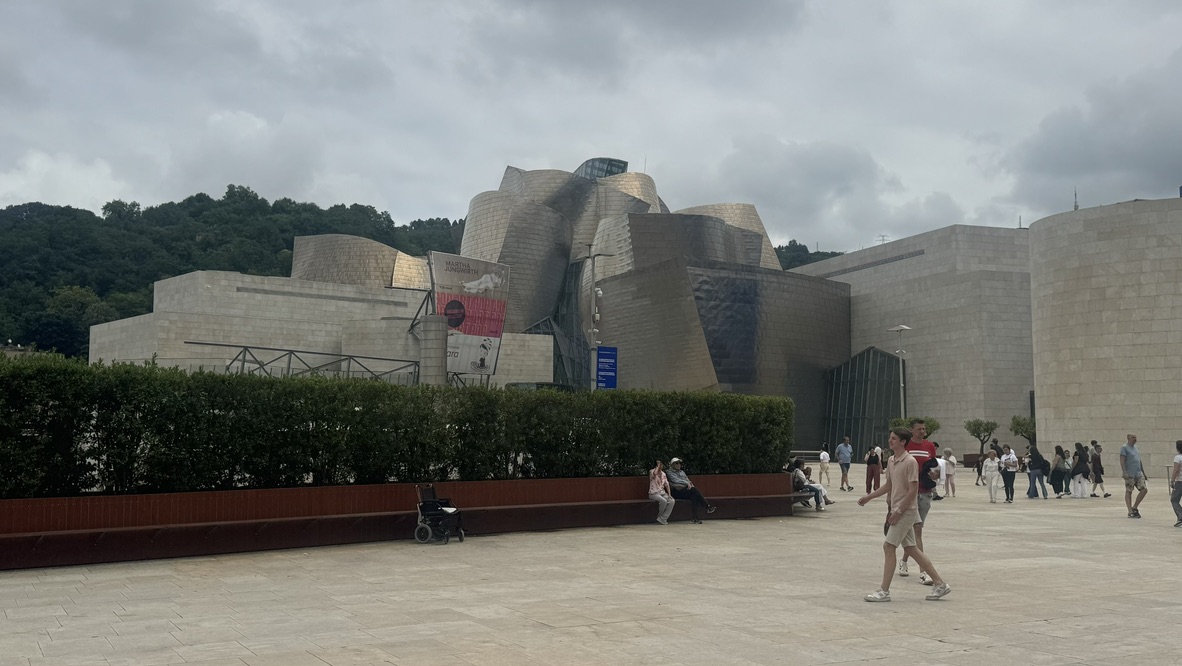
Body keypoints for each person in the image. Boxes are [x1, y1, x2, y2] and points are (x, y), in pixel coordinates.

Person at [857, 427, 952, 602]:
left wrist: (899, 511)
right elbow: (889, 485)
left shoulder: (910, 461)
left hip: (906, 511)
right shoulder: (891, 460)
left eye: (894, 438)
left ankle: (884, 591)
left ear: (903, 442)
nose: (890, 441)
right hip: (898, 510)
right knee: (911, 549)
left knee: (888, 546)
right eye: (890, 437)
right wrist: (869, 497)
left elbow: (912, 490)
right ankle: (940, 584)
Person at [898, 418, 939, 584]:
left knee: (916, 530)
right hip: (910, 494)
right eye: (919, 429)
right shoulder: (906, 446)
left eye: (924, 429)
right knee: (916, 530)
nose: (922, 431)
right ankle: (923, 572)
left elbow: (934, 467)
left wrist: (935, 474)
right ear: (912, 430)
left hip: (925, 492)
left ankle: (904, 561)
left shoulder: (929, 446)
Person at [665, 457, 716, 524]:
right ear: (672, 465)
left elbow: (688, 480)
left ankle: (695, 518)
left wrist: (690, 484)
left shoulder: (682, 472)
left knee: (694, 496)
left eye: (679, 463)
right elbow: (675, 480)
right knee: (694, 491)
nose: (679, 465)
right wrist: (687, 483)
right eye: (676, 463)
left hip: (685, 490)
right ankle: (707, 506)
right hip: (677, 491)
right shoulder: (669, 472)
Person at [1120, 433, 1148, 519]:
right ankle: (1130, 511)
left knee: (1144, 490)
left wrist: (1143, 472)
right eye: (1133, 437)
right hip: (1130, 474)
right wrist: (1124, 472)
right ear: (1128, 438)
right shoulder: (1124, 448)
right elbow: (1122, 460)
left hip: (1138, 473)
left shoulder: (1136, 448)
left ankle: (1135, 507)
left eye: (1135, 437)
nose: (1135, 439)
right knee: (1129, 491)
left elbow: (1139, 460)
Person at [648, 460, 675, 525]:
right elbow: (655, 474)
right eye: (659, 464)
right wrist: (658, 466)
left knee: (672, 501)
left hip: (662, 493)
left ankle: (663, 518)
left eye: (661, 464)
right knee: (663, 501)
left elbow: (667, 484)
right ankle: (659, 516)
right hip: (653, 493)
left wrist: (669, 494)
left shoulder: (663, 474)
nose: (661, 466)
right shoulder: (652, 471)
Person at [1170, 440, 1182, 528]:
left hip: (1180, 481)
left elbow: (1176, 470)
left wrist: (1172, 480)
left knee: (1174, 499)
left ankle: (1180, 517)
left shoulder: (1178, 458)